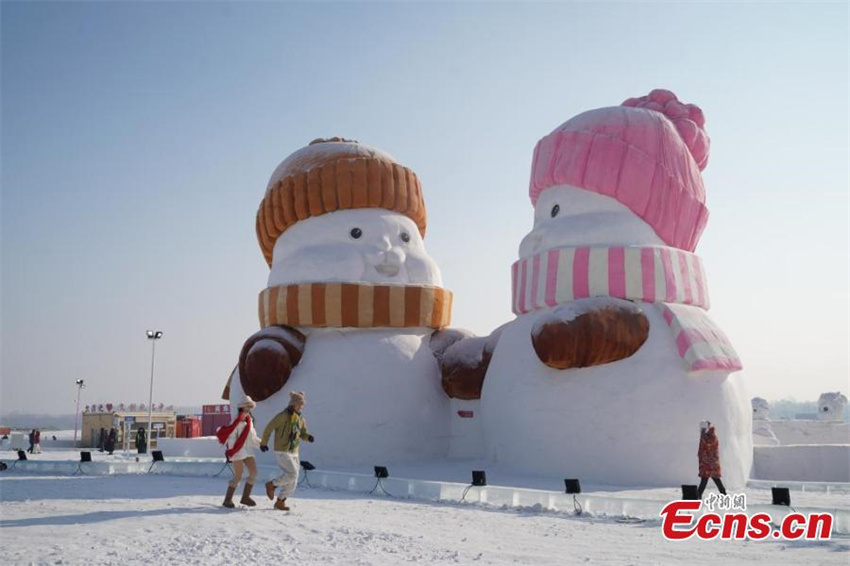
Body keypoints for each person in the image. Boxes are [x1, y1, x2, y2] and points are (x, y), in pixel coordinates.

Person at [260, 391, 315, 511]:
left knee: (294, 479)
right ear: (293, 404)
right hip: (282, 450)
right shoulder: (283, 416)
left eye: (302, 404)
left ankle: (280, 501)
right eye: (300, 404)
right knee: (293, 474)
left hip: (294, 451)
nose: (302, 406)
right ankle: (272, 484)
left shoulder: (300, 418)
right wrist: (263, 443)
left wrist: (308, 437)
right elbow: (269, 427)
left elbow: (303, 433)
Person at [216, 396, 261, 508]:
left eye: (250, 407)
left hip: (248, 450)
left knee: (253, 472)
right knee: (238, 476)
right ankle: (227, 500)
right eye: (247, 406)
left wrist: (261, 444)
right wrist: (234, 451)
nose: (249, 409)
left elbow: (252, 437)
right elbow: (231, 438)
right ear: (242, 407)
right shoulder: (236, 421)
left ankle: (245, 497)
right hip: (237, 451)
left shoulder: (249, 420)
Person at [697, 421, 727, 498]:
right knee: (705, 480)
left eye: (704, 429)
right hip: (705, 463)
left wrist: (703, 437)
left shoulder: (712, 437)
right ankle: (698, 496)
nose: (702, 430)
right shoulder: (705, 437)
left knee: (715, 480)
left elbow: (709, 444)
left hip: (712, 464)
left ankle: (724, 496)